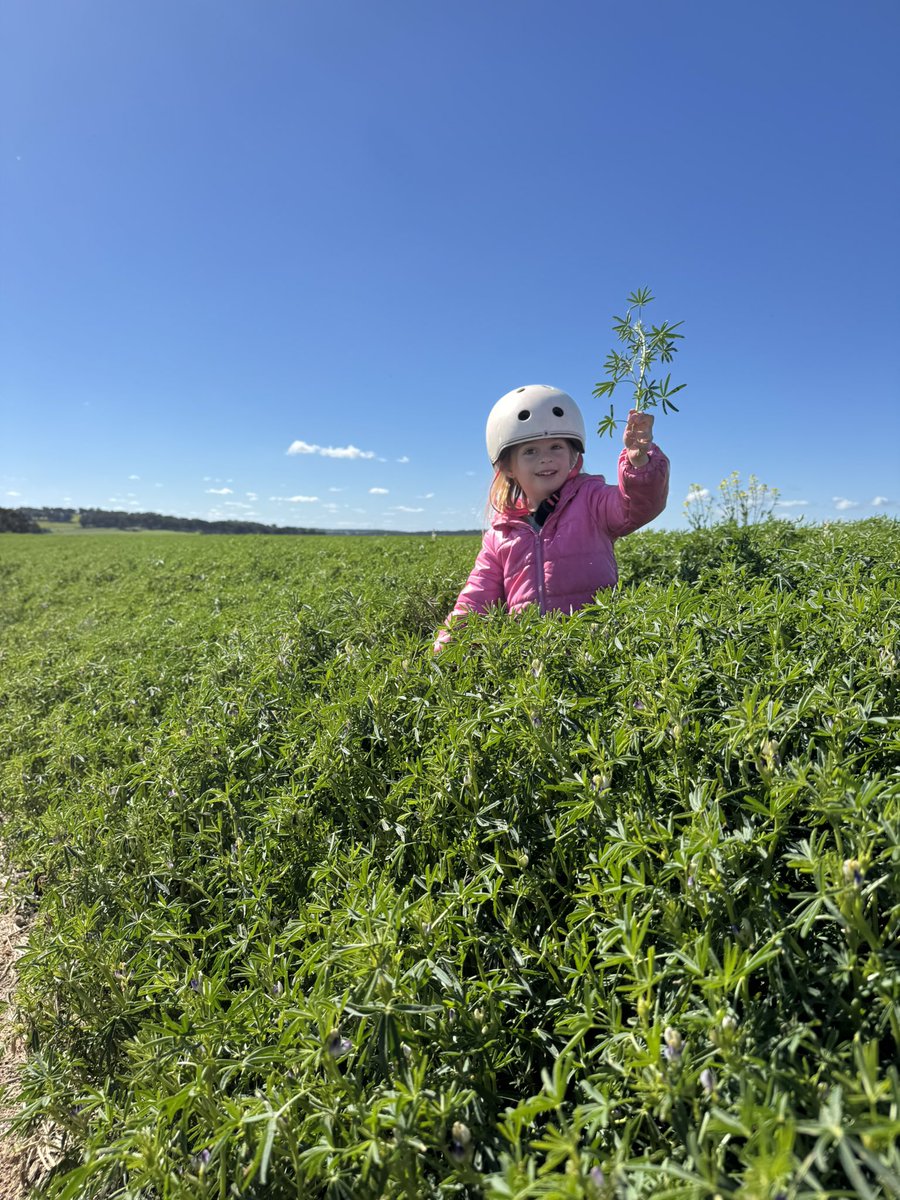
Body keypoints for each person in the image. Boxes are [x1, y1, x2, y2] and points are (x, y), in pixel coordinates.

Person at [434, 384, 669, 650]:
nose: (545, 458)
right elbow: (476, 598)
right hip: (533, 659)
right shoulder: (500, 535)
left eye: (556, 446)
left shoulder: (591, 499)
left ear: (573, 456)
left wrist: (640, 465)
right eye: (530, 451)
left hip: (595, 649)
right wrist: (450, 642)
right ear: (508, 466)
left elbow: (637, 506)